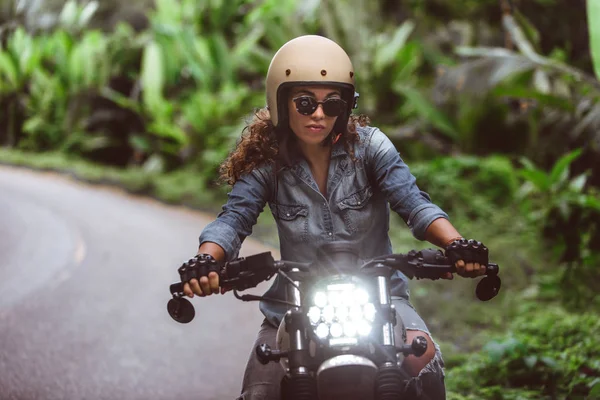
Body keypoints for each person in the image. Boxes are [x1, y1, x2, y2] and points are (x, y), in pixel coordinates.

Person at [180, 35, 489, 400]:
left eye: (332, 104)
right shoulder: (268, 163)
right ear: (281, 102)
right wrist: (207, 260)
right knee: (260, 393)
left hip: (380, 298)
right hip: (292, 305)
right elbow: (233, 219)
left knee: (424, 360)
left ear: (345, 108)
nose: (319, 114)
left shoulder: (371, 147)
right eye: (305, 102)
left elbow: (414, 203)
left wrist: (456, 244)